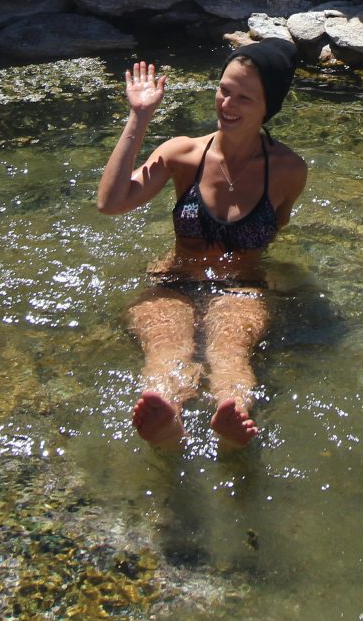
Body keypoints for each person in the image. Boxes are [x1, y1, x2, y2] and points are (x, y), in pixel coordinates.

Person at [94, 42, 308, 449]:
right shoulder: (183, 154)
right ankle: (167, 422)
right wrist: (139, 117)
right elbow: (110, 203)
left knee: (229, 350)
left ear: (270, 107)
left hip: (240, 288)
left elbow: (276, 228)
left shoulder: (289, 170)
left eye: (245, 97)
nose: (228, 103)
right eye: (224, 89)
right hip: (172, 280)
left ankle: (232, 417)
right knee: (165, 345)